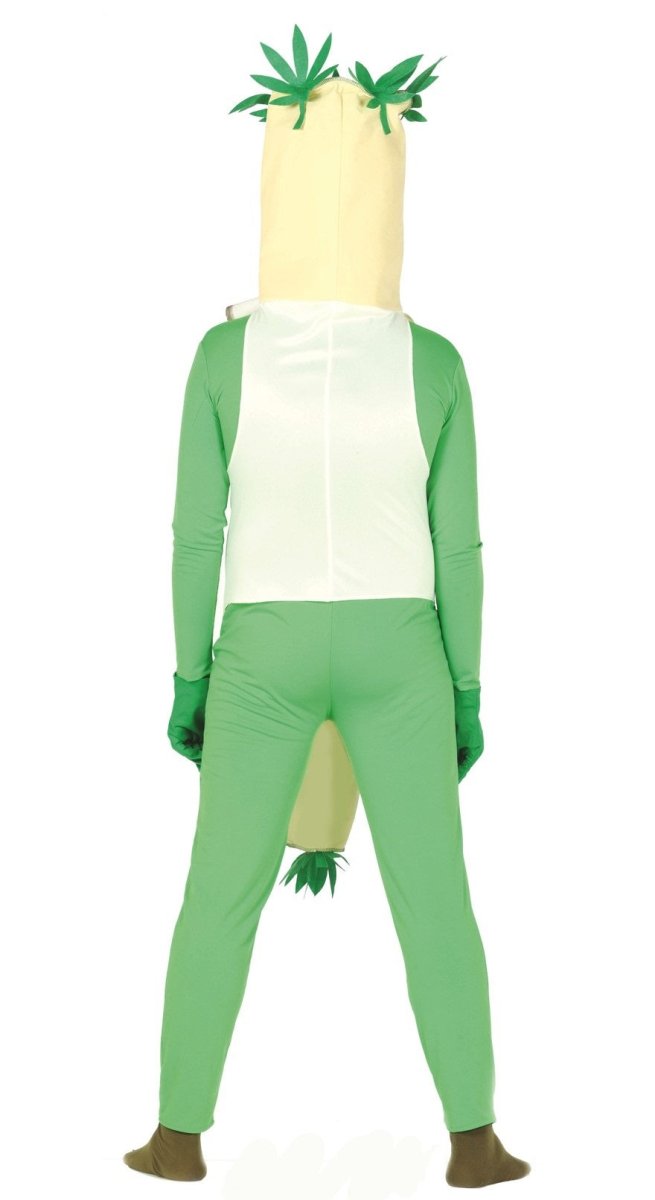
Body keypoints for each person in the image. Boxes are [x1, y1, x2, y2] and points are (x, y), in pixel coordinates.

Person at [123, 26, 531, 1188]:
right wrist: (465, 692)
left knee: (219, 893)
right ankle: (475, 1141)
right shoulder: (436, 361)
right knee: (434, 895)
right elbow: (460, 549)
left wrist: (190, 678)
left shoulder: (222, 356)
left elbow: (194, 536)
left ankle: (176, 1137)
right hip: (404, 648)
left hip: (260, 647)